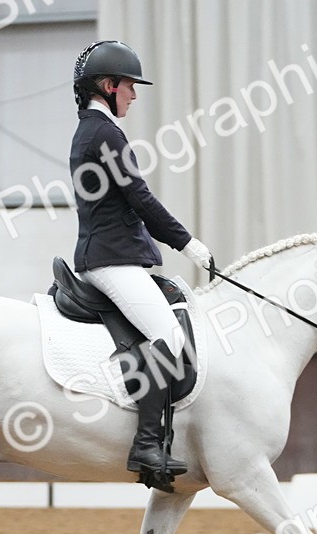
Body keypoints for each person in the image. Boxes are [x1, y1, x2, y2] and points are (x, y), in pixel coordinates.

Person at [69, 40, 213, 479]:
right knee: (168, 338)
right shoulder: (104, 132)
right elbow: (140, 199)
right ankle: (146, 446)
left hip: (114, 253)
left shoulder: (96, 130)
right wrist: (188, 244)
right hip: (112, 259)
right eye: (129, 85)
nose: (134, 94)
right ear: (108, 85)